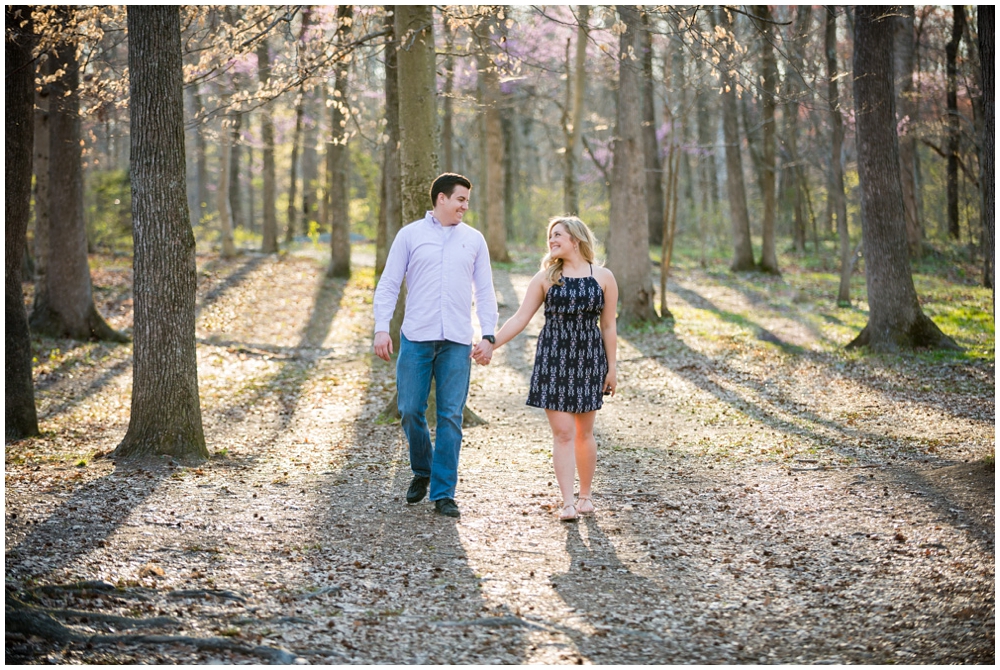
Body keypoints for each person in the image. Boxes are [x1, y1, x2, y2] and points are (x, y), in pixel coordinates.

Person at [476, 216, 618, 521]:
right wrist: (491, 343)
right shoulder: (545, 278)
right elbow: (519, 318)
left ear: (576, 239)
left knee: (584, 433)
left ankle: (585, 496)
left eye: (557, 236)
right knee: (564, 433)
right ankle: (567, 502)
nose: (551, 241)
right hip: (553, 360)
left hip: (589, 361)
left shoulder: (604, 277)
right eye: (550, 237)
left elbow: (608, 326)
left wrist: (612, 368)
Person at [373, 173, 498, 518]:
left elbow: (485, 291)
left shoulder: (473, 240)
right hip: (416, 337)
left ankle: (444, 493)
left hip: (457, 341)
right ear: (441, 199)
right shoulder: (410, 235)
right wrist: (381, 328)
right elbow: (388, 284)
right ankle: (423, 469)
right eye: (460, 200)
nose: (464, 207)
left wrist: (488, 335)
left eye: (467, 202)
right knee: (411, 409)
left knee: (450, 416)